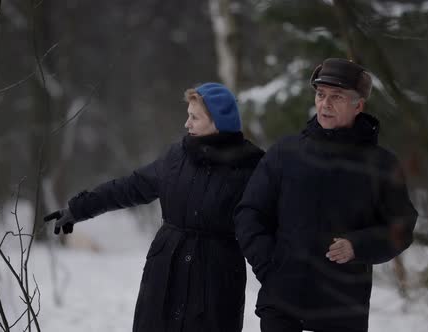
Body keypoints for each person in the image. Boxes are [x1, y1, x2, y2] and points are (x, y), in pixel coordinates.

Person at [44, 82, 264, 332]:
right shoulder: (177, 157)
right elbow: (131, 187)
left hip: (215, 282)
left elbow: (274, 224)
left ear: (218, 121)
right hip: (164, 276)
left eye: (194, 117)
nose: (186, 123)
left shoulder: (252, 168)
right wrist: (78, 209)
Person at [234, 58, 418, 332]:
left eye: (337, 97)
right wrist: (269, 265)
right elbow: (249, 213)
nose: (325, 104)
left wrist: (359, 245)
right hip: (282, 303)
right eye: (321, 95)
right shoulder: (285, 152)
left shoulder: (381, 164)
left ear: (358, 105)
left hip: (342, 309)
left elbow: (401, 227)